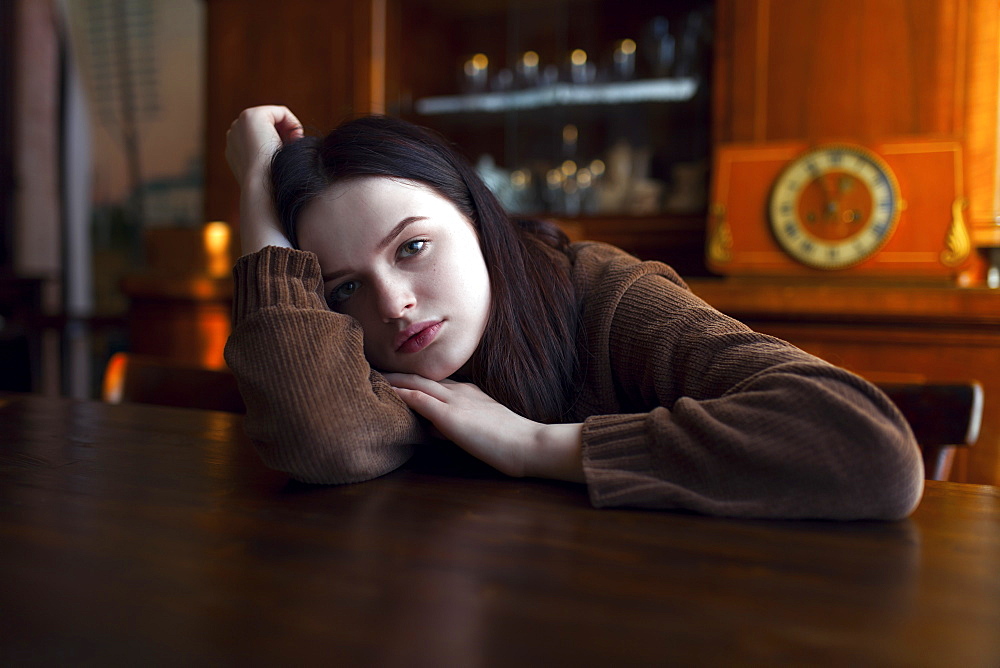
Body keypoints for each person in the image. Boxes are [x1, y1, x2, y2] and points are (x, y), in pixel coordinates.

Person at [223, 105, 924, 519]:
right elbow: (324, 439)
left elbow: (869, 450)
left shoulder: (601, 292)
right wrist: (257, 195)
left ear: (480, 218)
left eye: (412, 247)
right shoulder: (363, 359)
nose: (393, 304)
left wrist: (536, 445)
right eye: (345, 288)